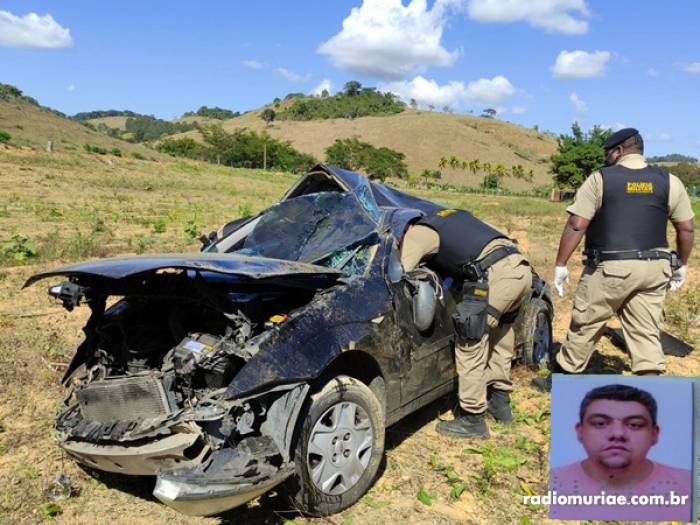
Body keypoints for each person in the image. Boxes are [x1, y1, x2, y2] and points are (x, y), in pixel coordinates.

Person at [535, 128, 695, 391]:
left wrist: (561, 264)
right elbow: (686, 228)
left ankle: (562, 379)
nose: (606, 158)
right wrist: (682, 266)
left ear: (619, 151)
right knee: (646, 328)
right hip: (655, 269)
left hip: (611, 269)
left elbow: (577, 224)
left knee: (586, 322)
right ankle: (651, 386)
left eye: (608, 153)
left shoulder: (601, 179)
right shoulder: (669, 181)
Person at [401, 208, 532, 438]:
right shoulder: (451, 216)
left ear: (405, 228)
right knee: (500, 335)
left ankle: (472, 419)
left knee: (469, 338)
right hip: (520, 268)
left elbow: (401, 270)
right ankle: (500, 405)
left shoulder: (420, 231)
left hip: (496, 275)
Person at [549, 384, 692, 521]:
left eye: (634, 425)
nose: (617, 434)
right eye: (600, 423)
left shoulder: (686, 485)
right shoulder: (553, 484)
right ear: (580, 431)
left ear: (654, 434)